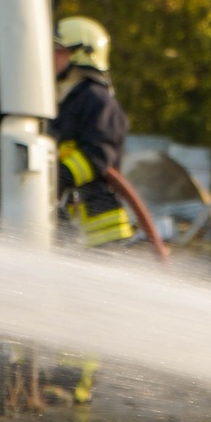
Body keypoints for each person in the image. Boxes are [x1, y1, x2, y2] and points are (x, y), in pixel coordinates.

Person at [53, 16, 133, 250]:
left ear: (81, 54)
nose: (49, 58)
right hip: (77, 226)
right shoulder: (67, 99)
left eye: (58, 51)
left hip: (101, 232)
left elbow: (98, 154)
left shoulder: (97, 100)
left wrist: (57, 178)